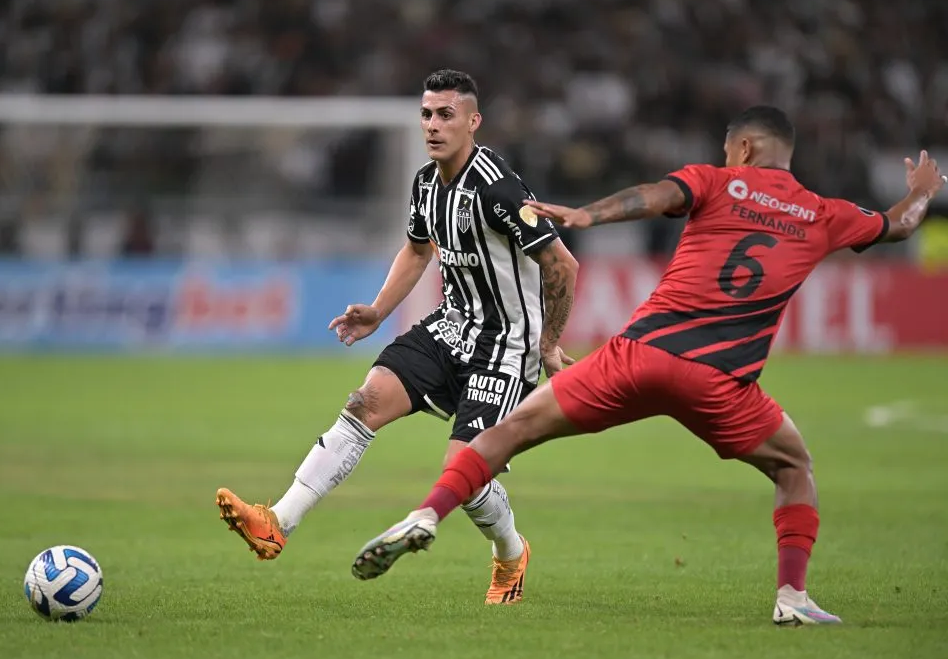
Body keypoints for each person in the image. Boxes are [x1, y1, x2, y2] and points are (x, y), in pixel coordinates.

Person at [351, 105, 947, 624]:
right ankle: (792, 596)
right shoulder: (822, 212)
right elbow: (897, 226)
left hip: (641, 355)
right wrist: (921, 189)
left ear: (742, 147)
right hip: (723, 383)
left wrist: (588, 216)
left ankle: (428, 514)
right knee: (794, 466)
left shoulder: (716, 181)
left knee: (508, 432)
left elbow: (657, 196)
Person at [216, 69, 579, 605]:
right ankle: (277, 523)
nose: (433, 125)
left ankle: (510, 555)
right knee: (365, 402)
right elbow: (416, 250)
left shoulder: (498, 187)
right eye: (427, 115)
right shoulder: (426, 183)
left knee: (466, 473)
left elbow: (561, 264)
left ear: (473, 122)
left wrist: (547, 344)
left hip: (505, 346)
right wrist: (380, 312)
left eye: (446, 115)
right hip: (451, 326)